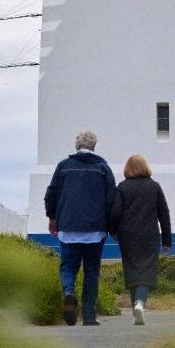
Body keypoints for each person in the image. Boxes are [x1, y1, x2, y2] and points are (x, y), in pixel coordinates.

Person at [43, 129, 118, 326]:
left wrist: (52, 217)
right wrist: (112, 226)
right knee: (92, 271)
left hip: (68, 227)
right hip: (95, 229)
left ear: (77, 145)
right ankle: (89, 317)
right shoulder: (103, 168)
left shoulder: (63, 166)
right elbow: (112, 199)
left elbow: (51, 193)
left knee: (68, 267)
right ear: (94, 145)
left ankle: (68, 292)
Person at [112, 154, 173, 324]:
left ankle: (135, 311)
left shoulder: (122, 188)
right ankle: (140, 303)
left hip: (127, 236)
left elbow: (115, 212)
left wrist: (112, 231)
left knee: (131, 269)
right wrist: (167, 240)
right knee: (147, 270)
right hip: (149, 235)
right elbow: (164, 214)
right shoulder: (154, 187)